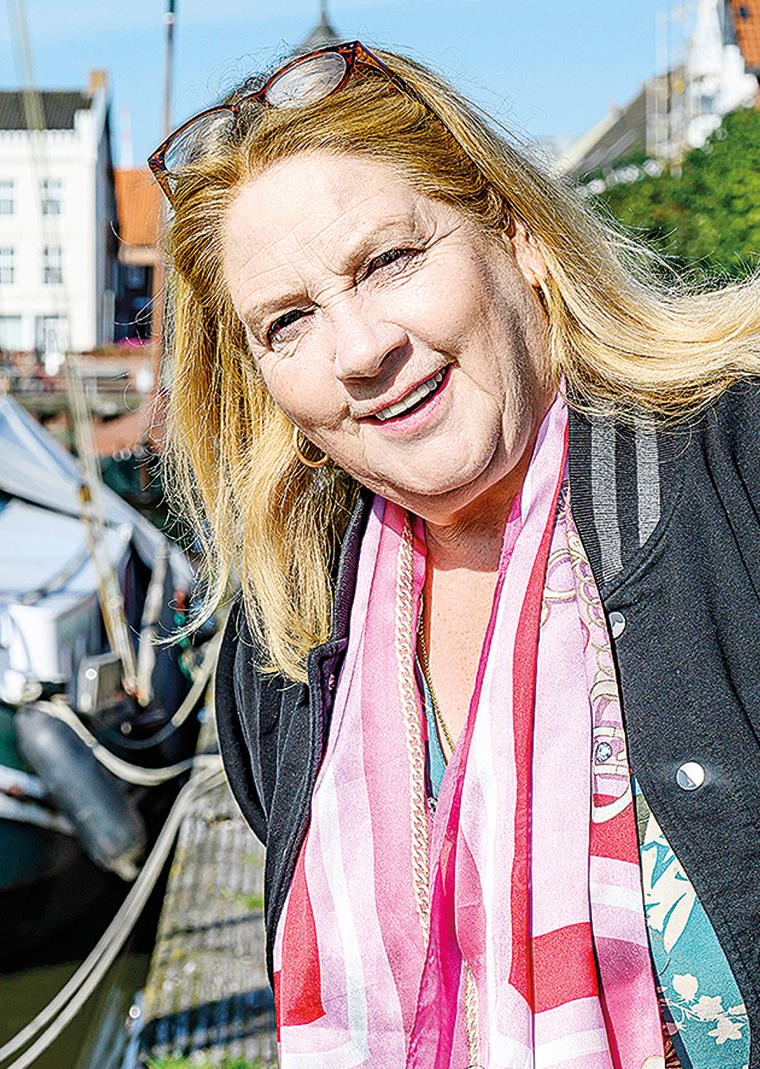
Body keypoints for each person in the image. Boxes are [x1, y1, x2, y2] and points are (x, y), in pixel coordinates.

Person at [154, 40, 760, 1069]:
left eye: (388, 261)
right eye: (288, 321)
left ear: (518, 238)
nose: (359, 349)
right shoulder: (289, 648)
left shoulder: (732, 480)